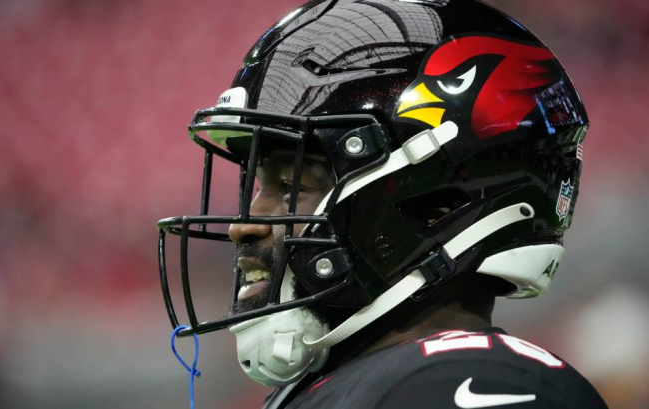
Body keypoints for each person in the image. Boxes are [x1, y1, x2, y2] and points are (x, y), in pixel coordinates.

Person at [156, 0, 607, 407]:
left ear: (432, 203)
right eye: (259, 184)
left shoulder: (468, 382)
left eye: (294, 185)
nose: (244, 225)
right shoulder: (358, 383)